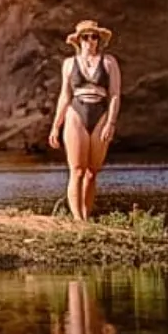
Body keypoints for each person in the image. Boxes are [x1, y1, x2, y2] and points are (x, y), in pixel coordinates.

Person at [48, 19, 122, 223]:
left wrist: (111, 122)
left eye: (94, 37)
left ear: (99, 40)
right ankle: (77, 219)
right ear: (78, 40)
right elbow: (64, 95)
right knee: (77, 170)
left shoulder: (109, 62)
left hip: (99, 111)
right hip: (76, 111)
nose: (90, 41)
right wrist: (56, 125)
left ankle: (86, 216)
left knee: (92, 172)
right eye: (86, 37)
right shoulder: (69, 64)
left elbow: (115, 94)